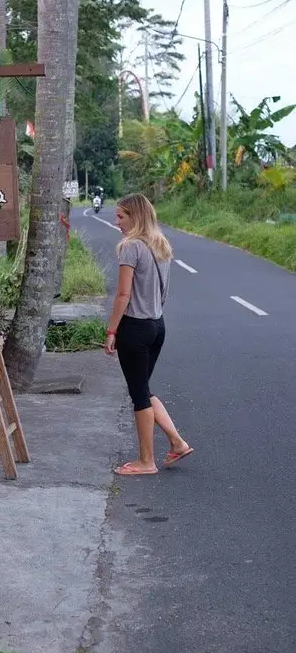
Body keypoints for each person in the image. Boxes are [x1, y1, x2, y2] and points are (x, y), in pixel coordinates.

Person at [104, 193, 193, 475]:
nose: (116, 222)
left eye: (121, 216)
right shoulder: (161, 244)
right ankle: (177, 443)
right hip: (157, 326)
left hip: (135, 328)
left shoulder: (130, 247)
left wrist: (111, 330)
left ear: (135, 217)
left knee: (139, 394)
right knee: (142, 388)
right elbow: (163, 292)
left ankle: (146, 461)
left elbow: (123, 295)